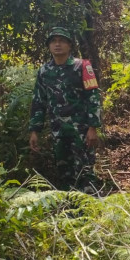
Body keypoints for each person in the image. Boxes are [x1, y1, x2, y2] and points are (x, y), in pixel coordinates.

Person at [29, 26, 101, 190]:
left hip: (81, 129)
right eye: (53, 41)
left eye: (62, 41)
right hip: (58, 131)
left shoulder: (82, 66)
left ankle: (91, 207)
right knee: (64, 171)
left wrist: (93, 127)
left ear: (69, 45)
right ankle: (70, 209)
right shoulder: (44, 71)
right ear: (49, 46)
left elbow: (93, 97)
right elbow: (39, 101)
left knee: (85, 169)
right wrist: (34, 130)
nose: (57, 44)